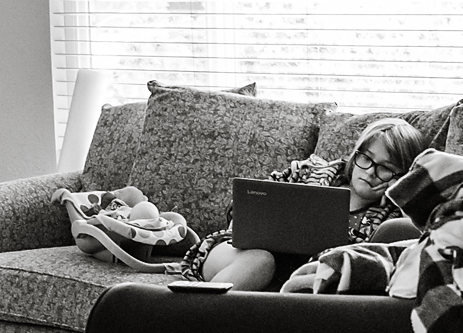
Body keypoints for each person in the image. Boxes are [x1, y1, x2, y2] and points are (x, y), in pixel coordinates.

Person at [174, 116, 429, 290]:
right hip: (237, 253)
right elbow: (247, 202)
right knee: (261, 260)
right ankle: (199, 318)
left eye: (386, 168)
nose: (371, 172)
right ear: (356, 154)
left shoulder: (392, 219)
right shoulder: (309, 172)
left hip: (294, 279)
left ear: (403, 176)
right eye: (367, 158)